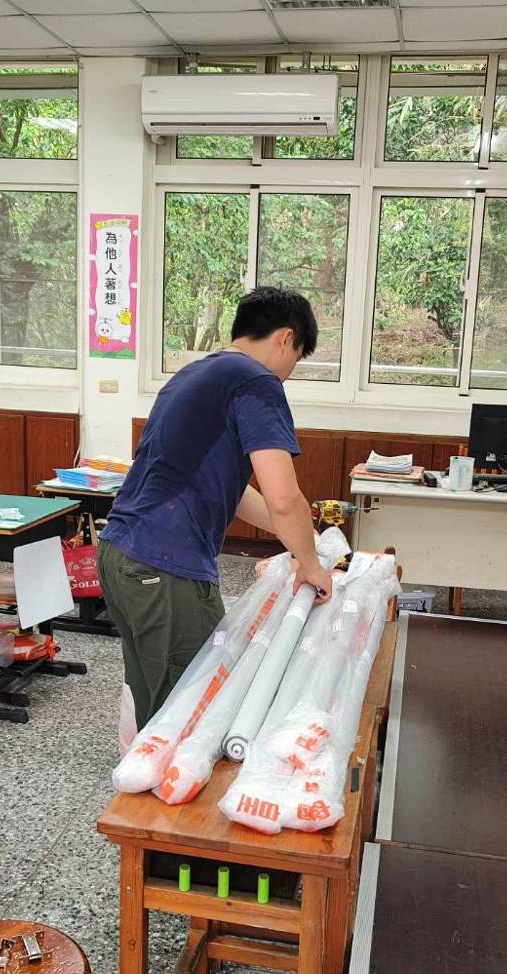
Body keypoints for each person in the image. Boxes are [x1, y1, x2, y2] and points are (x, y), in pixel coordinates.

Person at [98, 286, 333, 732]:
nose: (289, 373)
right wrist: (311, 565)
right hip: (164, 566)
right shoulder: (256, 381)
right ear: (285, 338)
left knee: (157, 699)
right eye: (296, 359)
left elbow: (234, 493)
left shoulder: (194, 375)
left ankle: (147, 768)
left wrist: (303, 538)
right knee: (192, 710)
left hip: (122, 556)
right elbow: (284, 498)